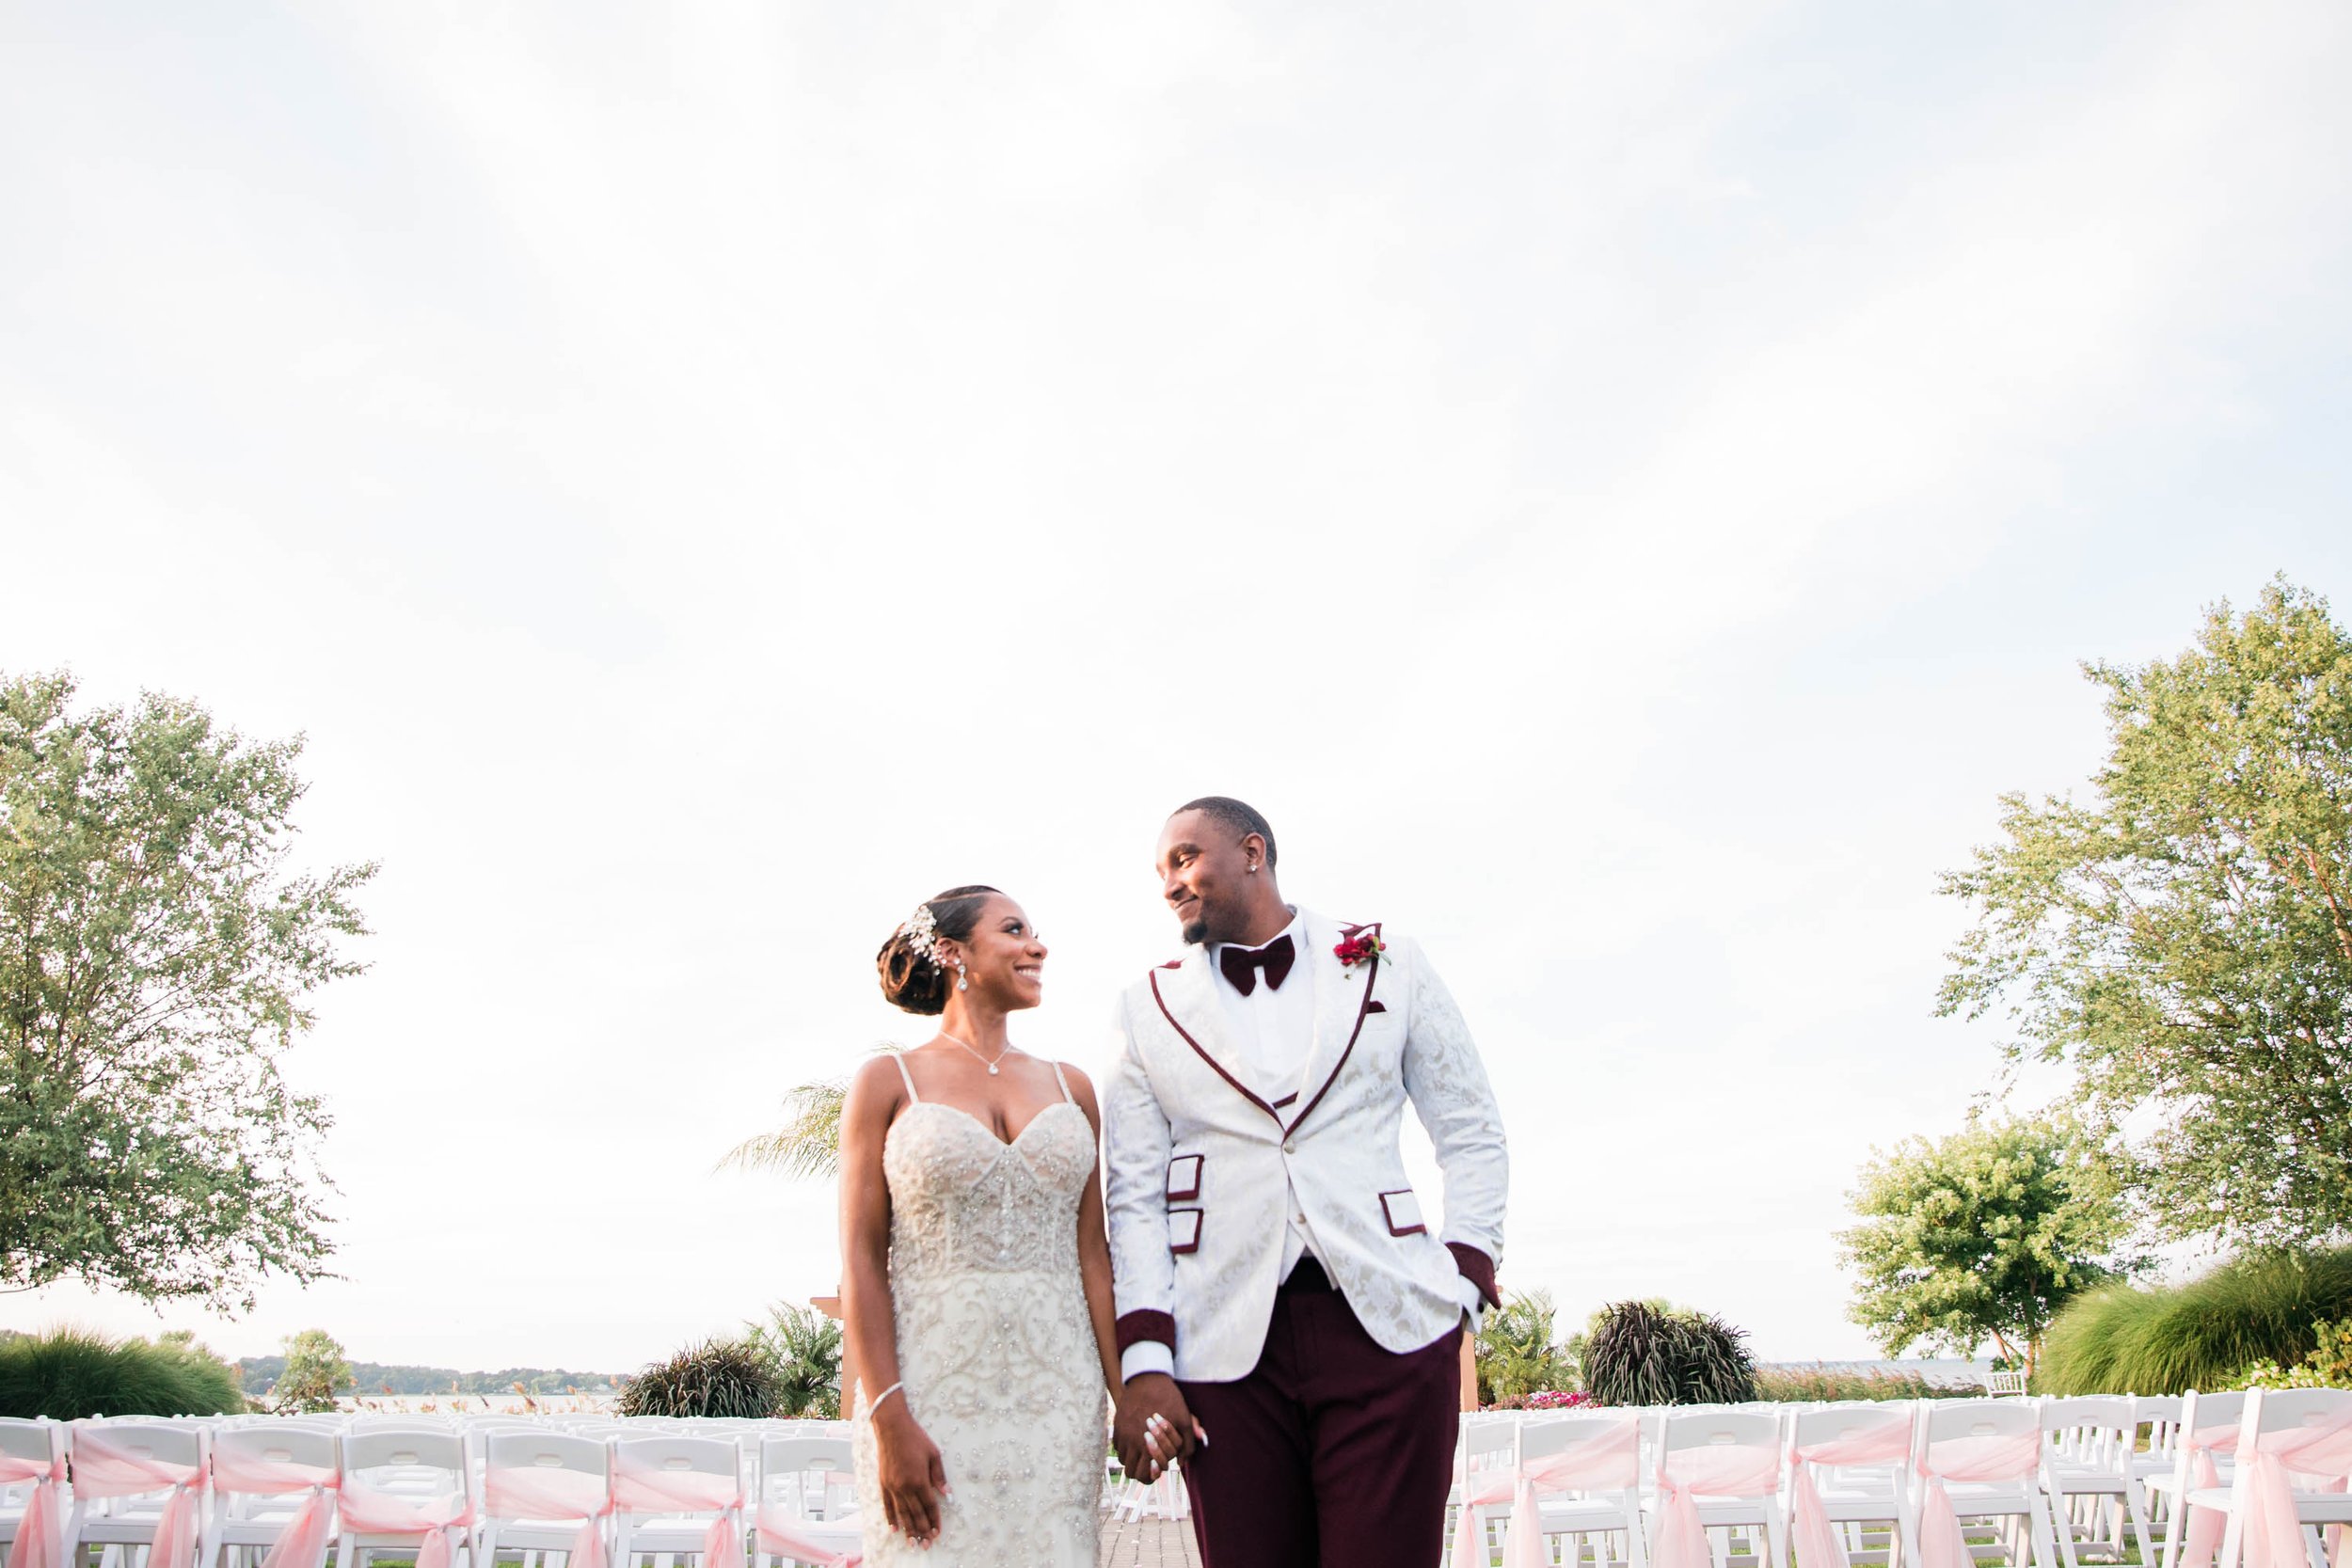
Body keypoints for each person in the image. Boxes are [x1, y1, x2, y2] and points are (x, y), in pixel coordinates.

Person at [1104, 798, 1510, 1568]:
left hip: (1390, 1329)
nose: (1171, 882)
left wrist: (1463, 1277)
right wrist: (1148, 1357)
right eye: (1161, 870)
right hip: (1224, 1353)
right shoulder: (1144, 1007)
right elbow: (1132, 1196)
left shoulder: (1390, 960)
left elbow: (1471, 1128)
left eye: (1186, 857)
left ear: (1253, 851)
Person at [839, 885, 1120, 1566]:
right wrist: (889, 1415)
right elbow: (860, 1263)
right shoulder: (886, 1081)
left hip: (1058, 1398)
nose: (1038, 944)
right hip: (930, 1391)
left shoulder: (1071, 1086)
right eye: (1014, 929)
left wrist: (1128, 1391)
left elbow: (1093, 1256)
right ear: (953, 950)